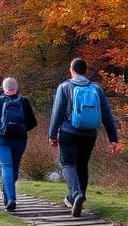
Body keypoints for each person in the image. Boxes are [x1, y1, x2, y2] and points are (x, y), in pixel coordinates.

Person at [48, 58, 120, 217]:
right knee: (82, 165)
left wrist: (52, 134)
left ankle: (75, 194)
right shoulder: (96, 88)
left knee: (67, 163)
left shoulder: (65, 87)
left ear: (71, 70)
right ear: (85, 70)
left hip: (68, 132)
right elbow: (107, 114)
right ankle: (79, 196)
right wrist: (113, 138)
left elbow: (58, 112)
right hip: (89, 134)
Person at [0, 77, 37, 212]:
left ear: (3, 87)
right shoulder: (24, 101)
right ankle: (8, 197)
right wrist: (23, 129)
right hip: (20, 139)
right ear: (16, 88)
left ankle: (11, 198)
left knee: (6, 167)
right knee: (14, 166)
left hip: (1, 139)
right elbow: (33, 122)